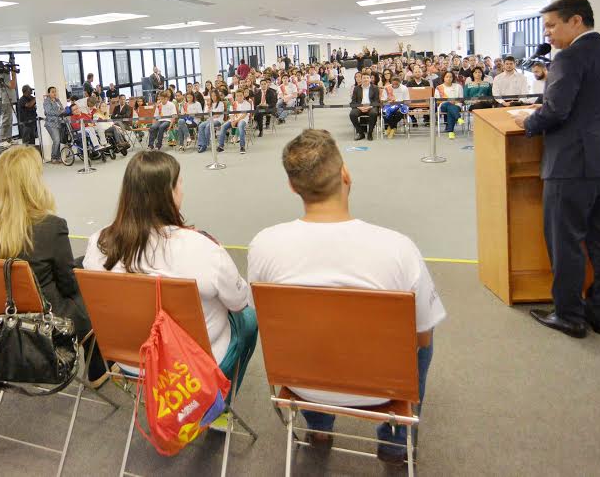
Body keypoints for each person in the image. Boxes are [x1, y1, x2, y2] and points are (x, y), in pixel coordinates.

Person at [249, 129, 445, 461]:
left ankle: (319, 427)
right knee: (424, 335)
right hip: (380, 388)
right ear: (346, 175)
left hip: (303, 383)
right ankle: (396, 442)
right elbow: (422, 337)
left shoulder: (263, 245)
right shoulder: (398, 249)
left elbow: (264, 320)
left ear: (292, 186)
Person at [84, 151, 255, 413]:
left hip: (131, 361)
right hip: (194, 362)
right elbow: (239, 302)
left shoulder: (97, 244)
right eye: (179, 183)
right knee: (249, 320)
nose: (182, 190)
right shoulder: (202, 248)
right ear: (169, 193)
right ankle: (218, 406)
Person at [514, 0, 600, 338]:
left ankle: (569, 315)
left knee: (565, 239)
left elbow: (555, 111)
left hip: (573, 162)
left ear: (576, 21)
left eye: (552, 25)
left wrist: (528, 121)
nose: (547, 33)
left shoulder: (569, 57)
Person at [0, 146, 108, 384]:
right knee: (90, 285)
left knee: (79, 265)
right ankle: (95, 362)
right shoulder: (51, 226)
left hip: (0, 314)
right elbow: (68, 285)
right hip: (47, 321)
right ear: (34, 183)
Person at [349, 73, 380, 141]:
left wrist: (369, 107)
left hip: (371, 107)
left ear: (370, 79)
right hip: (360, 107)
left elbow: (377, 101)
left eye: (367, 78)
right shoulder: (356, 88)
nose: (366, 79)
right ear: (361, 79)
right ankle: (360, 133)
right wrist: (360, 107)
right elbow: (353, 102)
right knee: (352, 114)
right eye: (364, 78)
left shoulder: (375, 88)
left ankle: (370, 133)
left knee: (374, 113)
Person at [435, 71, 464, 138]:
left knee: (450, 109)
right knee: (449, 105)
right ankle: (458, 118)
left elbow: (461, 98)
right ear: (443, 78)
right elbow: (437, 100)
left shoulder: (458, 86)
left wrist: (455, 102)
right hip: (443, 105)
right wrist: (449, 101)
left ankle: (450, 131)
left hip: (456, 105)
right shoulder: (439, 87)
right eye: (447, 77)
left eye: (450, 77)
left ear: (453, 78)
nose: (449, 78)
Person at [43, 86, 65, 164]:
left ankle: (58, 157)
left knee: (58, 141)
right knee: (56, 140)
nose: (54, 93)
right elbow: (49, 111)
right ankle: (53, 157)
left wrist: (61, 111)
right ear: (48, 93)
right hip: (50, 123)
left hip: (58, 123)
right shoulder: (47, 101)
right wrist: (59, 112)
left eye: (55, 91)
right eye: (52, 92)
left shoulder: (57, 100)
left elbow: (62, 109)